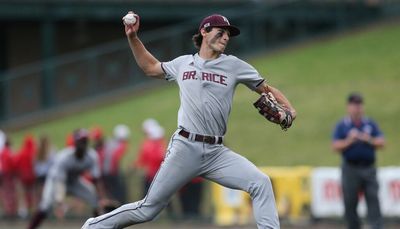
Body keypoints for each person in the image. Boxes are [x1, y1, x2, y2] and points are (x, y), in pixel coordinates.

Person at [82, 13, 296, 229]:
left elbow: (266, 89)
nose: (225, 38)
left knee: (260, 182)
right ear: (204, 31)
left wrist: (290, 109)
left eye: (228, 35)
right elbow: (150, 67)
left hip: (216, 152)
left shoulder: (234, 66)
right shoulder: (183, 63)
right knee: (148, 209)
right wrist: (133, 37)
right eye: (221, 32)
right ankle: (93, 226)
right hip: (185, 147)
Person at [28, 129, 104, 229]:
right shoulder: (64, 157)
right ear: (75, 142)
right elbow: (60, 183)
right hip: (55, 181)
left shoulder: (91, 156)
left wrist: (101, 198)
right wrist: (60, 201)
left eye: (85, 141)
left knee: (94, 198)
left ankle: (100, 226)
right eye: (81, 141)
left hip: (73, 181)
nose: (82, 144)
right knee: (45, 205)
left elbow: (96, 179)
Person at [332, 92, 385, 229]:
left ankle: (376, 226)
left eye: (359, 105)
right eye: (354, 105)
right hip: (350, 168)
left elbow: (381, 142)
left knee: (373, 200)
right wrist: (349, 140)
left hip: (368, 168)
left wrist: (368, 139)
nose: (357, 108)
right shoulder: (343, 125)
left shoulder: (370, 124)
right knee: (350, 202)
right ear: (348, 107)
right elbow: (335, 146)